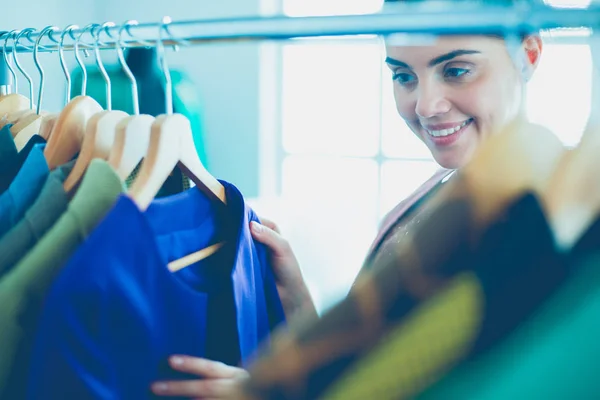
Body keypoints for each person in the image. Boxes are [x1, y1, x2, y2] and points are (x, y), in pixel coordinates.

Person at [150, 0, 544, 397]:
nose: (425, 105)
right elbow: (380, 363)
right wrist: (299, 305)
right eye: (404, 77)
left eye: (456, 71)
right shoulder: (440, 189)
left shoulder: (536, 227)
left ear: (528, 55)